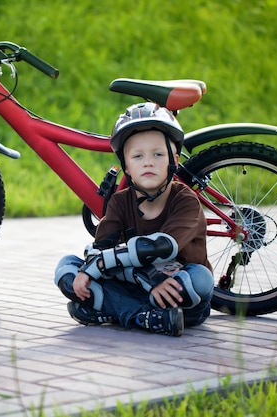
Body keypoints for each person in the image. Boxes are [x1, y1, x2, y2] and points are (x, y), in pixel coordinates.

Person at [54, 102, 214, 337]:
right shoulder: (119, 202)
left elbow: (161, 247)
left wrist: (98, 267)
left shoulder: (186, 201)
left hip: (180, 294)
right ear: (126, 167)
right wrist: (147, 278)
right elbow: (98, 251)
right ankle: (145, 317)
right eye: (137, 156)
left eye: (158, 154)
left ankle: (113, 309)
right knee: (66, 269)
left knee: (201, 280)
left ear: (175, 161)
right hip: (140, 286)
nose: (148, 162)